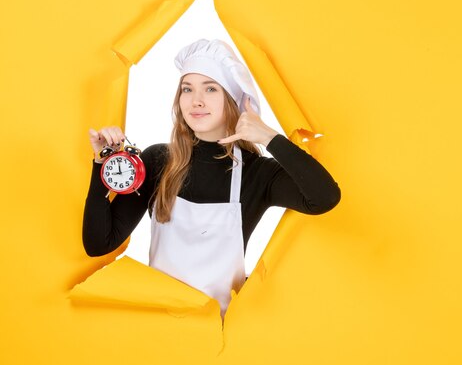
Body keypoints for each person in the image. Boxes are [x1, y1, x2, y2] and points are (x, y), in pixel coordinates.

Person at [82, 39, 341, 316]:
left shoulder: (258, 173)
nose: (197, 100)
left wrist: (269, 137)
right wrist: (103, 163)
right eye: (187, 89)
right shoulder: (158, 161)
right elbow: (99, 243)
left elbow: (324, 198)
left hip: (220, 340)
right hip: (158, 331)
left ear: (231, 100)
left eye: (210, 88)